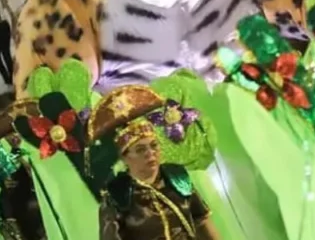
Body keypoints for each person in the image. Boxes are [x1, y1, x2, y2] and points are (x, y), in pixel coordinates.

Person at [92, 86, 220, 240]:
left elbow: (202, 222)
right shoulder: (116, 195)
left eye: (154, 146)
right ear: (125, 157)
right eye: (140, 149)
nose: (150, 153)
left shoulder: (178, 179)